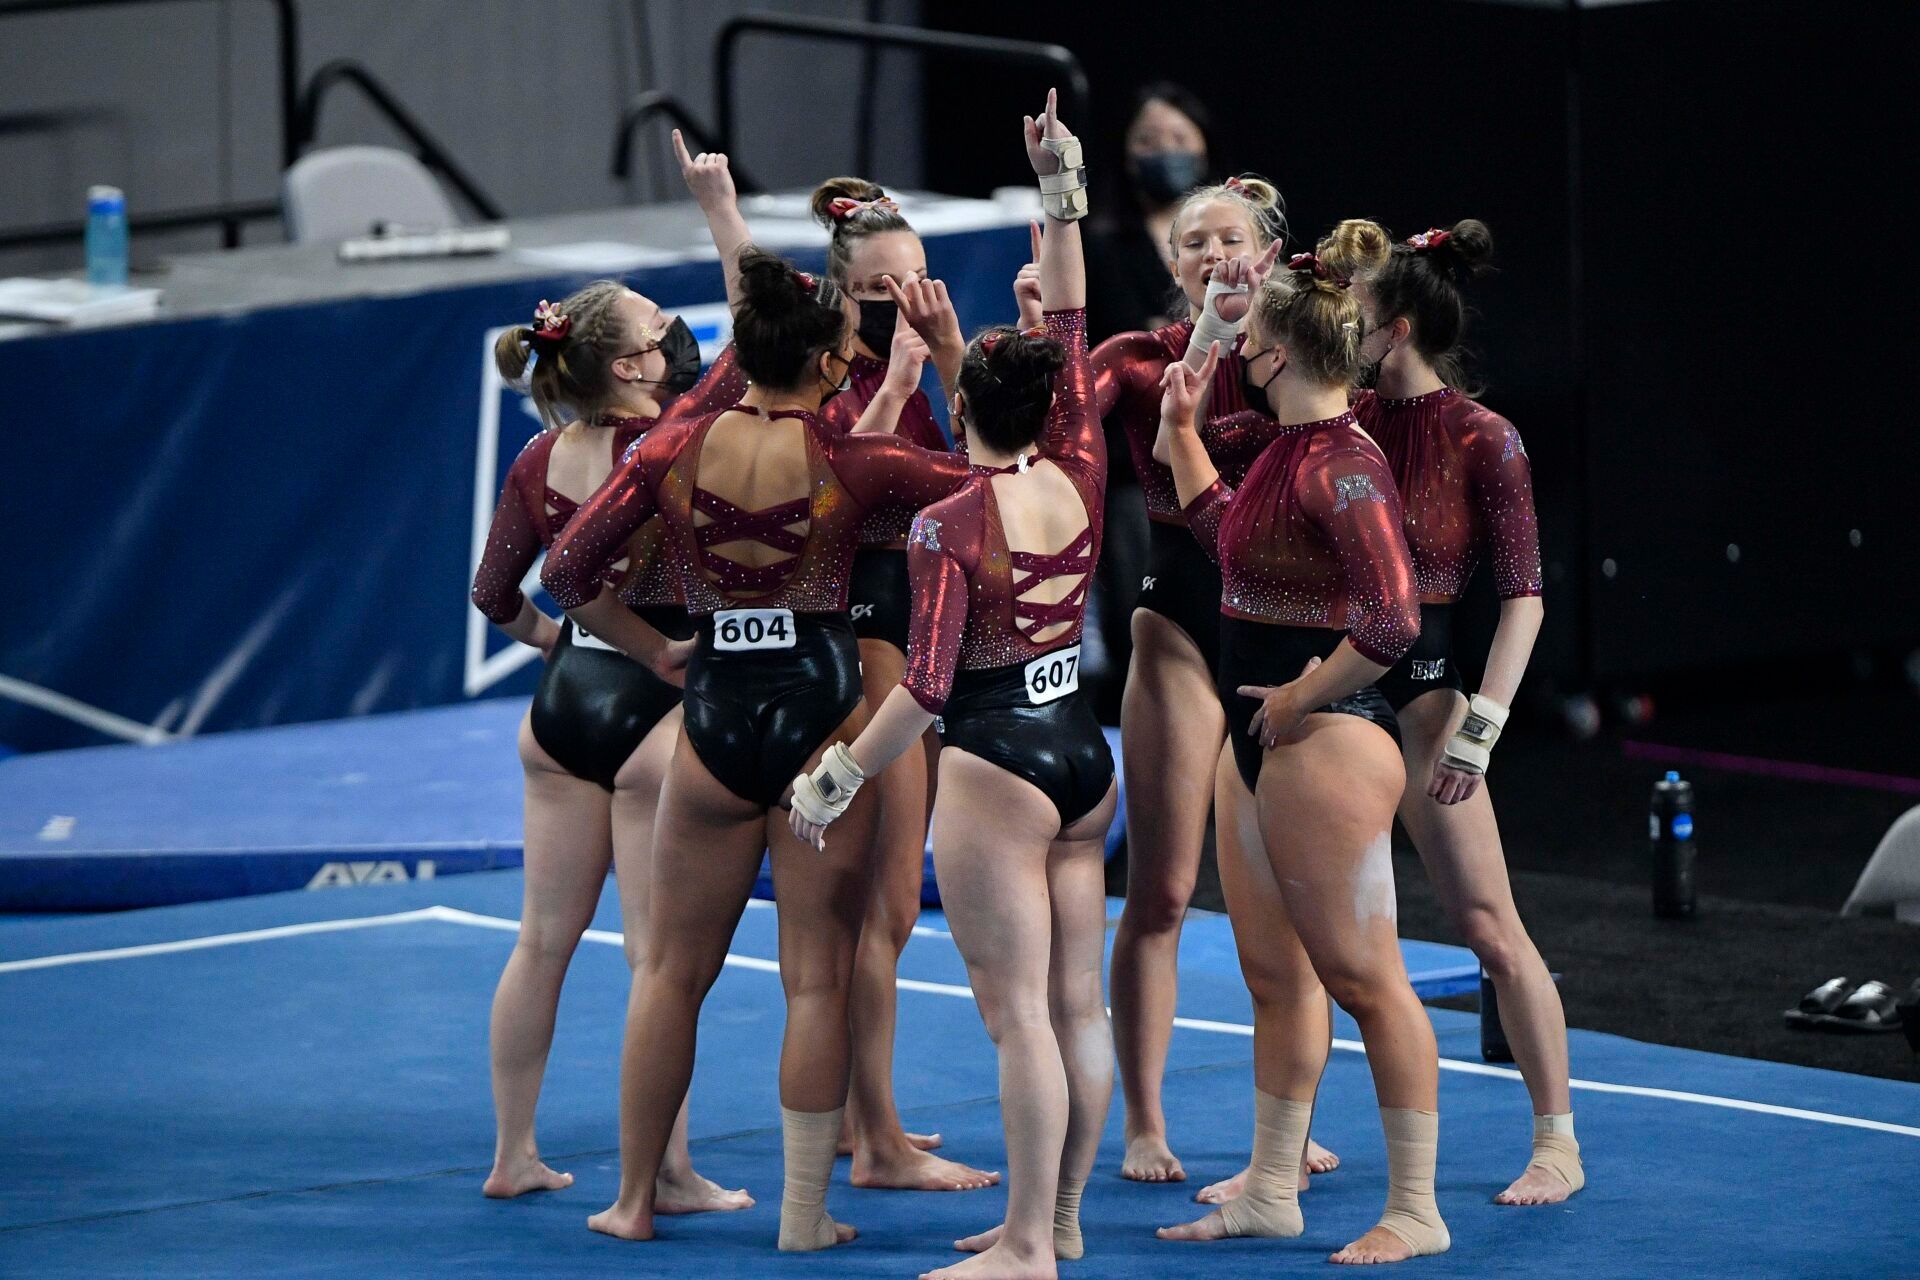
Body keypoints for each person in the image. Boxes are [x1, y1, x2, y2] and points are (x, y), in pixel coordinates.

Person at [540, 203, 972, 1246]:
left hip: (715, 714)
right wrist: (942, 371)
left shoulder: (671, 451)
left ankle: (634, 1199)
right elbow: (996, 483)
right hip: (823, 714)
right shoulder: (852, 459)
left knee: (669, 972)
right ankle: (801, 1215)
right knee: (816, 972)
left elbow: (562, 573)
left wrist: (651, 647)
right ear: (830, 361)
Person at [790, 89, 1114, 1280]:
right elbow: (1073, 326)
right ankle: (1060, 1217)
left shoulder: (945, 521)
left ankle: (1028, 1243)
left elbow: (924, 692)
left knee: (1016, 1016)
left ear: (961, 399)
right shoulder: (1080, 466)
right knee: (1078, 1010)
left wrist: (832, 778)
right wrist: (1060, 186)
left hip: (995, 763)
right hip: (1085, 753)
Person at [1154, 252, 1449, 1264]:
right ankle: (1271, 1187)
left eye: (1245, 335)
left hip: (1329, 729)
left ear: (1273, 350)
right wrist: (1181, 431)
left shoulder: (1343, 462)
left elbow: (1394, 617)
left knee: (1367, 980)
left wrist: (1301, 695)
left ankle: (1416, 1204)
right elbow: (1227, 537)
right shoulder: (1282, 447)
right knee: (1274, 974)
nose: (1235, 346)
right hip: (1267, 732)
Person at [1083, 176, 1340, 1188]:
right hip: (1180, 625)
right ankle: (1145, 1120)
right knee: (1162, 888)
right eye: (1193, 243)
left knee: (1289, 903)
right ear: (1174, 262)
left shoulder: (1305, 359)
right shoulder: (1142, 362)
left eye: (1229, 239)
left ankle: (1289, 1119)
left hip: (1279, 642)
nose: (1211, 256)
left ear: (1273, 253)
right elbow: (1057, 409)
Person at [470, 279, 748, 1214]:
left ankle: (514, 1153)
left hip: (564, 707)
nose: (673, 329)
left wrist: (556, 643)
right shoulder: (673, 442)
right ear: (631, 365)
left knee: (541, 941)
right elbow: (755, 353)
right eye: (656, 323)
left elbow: (494, 592)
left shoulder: (542, 456)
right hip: (655, 704)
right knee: (655, 959)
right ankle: (668, 1173)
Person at [1327, 217, 1578, 1205]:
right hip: (1338, 686)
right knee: (1325, 938)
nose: (1339, 330)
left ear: (1392, 325)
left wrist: (1482, 724)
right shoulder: (1337, 419)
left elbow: (1523, 594)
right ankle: (1281, 1149)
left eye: (1352, 315)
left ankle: (1556, 1136)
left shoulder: (1486, 438)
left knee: (1487, 921)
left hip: (1428, 696)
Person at [802, 175, 998, 1193]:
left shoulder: (913, 369)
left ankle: (852, 1117)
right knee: (880, 911)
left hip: (894, 625)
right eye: (881, 284)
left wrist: (944, 354)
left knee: (868, 912)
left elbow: (985, 455)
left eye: (916, 277)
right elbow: (827, 493)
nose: (901, 296)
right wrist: (897, 381)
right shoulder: (833, 380)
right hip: (866, 639)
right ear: (842, 289)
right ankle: (875, 1141)